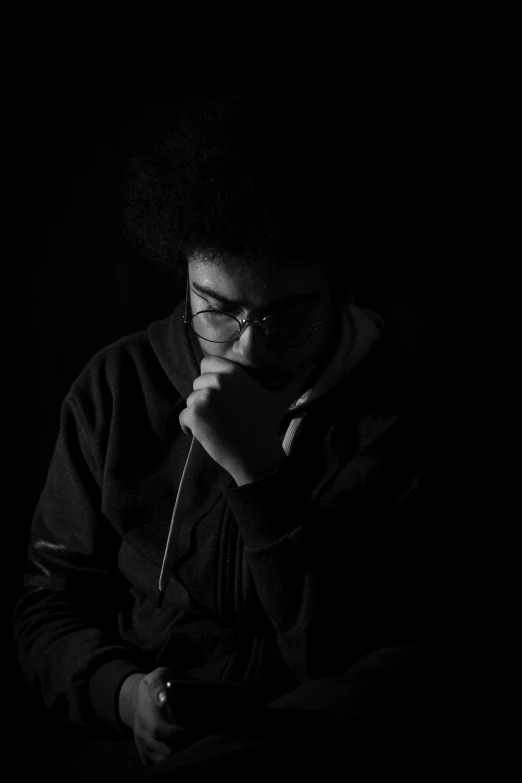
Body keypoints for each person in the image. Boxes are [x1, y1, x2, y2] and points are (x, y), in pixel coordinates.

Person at [12, 94, 450, 780]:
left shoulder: (407, 424)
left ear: (339, 289)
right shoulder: (115, 387)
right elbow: (51, 605)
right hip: (126, 758)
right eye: (215, 310)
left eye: (285, 317)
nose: (246, 351)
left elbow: (355, 668)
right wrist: (125, 696)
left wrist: (259, 474)